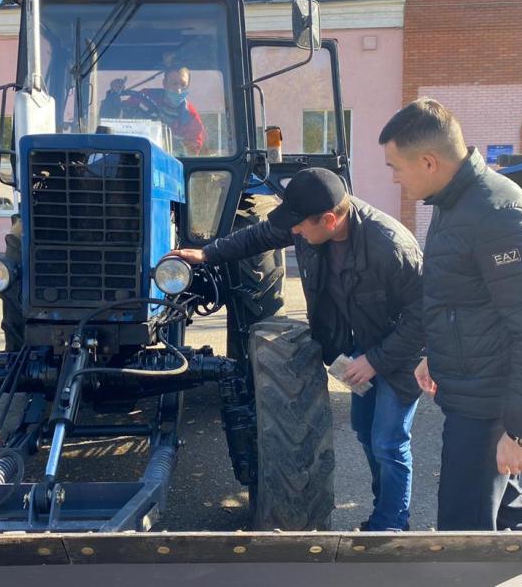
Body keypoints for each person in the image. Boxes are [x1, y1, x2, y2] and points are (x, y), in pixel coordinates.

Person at [168, 167, 424, 531]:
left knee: (389, 440)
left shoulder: (391, 246)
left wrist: (376, 360)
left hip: (399, 352)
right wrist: (207, 255)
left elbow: (425, 317)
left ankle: (392, 524)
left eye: (300, 227)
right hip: (358, 345)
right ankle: (385, 509)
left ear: (331, 219)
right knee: (366, 431)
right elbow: (258, 236)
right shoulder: (310, 224)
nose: (295, 233)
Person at [378, 98, 522, 531]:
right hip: (470, 393)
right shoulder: (455, 204)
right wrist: (437, 355)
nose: (394, 177)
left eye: (395, 166)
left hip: (488, 407)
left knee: (463, 535)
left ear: (428, 161)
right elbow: (462, 301)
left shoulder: (498, 216)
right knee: (507, 514)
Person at [100, 67, 206, 155]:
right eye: (174, 83)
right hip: (133, 153)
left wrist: (175, 143)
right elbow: (114, 116)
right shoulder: (144, 97)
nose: (178, 89)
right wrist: (113, 95)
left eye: (183, 85)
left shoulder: (191, 116)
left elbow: (193, 150)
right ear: (164, 83)